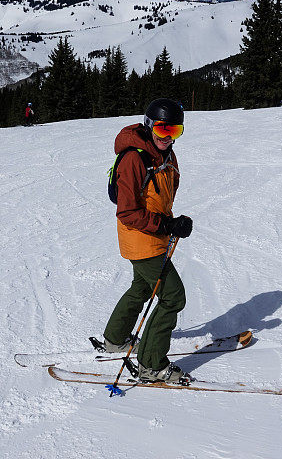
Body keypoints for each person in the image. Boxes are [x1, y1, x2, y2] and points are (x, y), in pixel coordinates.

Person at [103, 98, 193, 383]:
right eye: (163, 129)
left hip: (155, 235)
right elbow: (128, 211)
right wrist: (166, 224)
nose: (167, 137)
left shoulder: (165, 155)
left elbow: (159, 198)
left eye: (175, 131)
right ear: (149, 125)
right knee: (173, 296)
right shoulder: (134, 158)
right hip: (141, 238)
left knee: (142, 287)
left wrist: (174, 222)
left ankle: (115, 339)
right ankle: (151, 365)